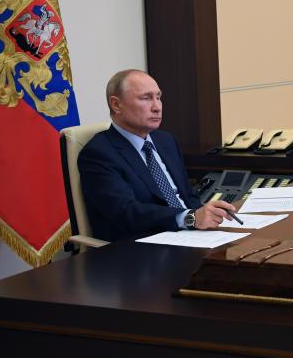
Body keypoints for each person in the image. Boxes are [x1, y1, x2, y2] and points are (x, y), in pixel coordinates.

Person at [78, 69, 236, 241]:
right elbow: (126, 212)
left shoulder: (166, 141)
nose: (157, 107)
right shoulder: (99, 153)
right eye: (146, 98)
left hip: (192, 236)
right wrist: (190, 218)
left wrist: (209, 214)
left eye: (158, 97)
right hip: (144, 247)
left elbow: (187, 196)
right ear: (116, 105)